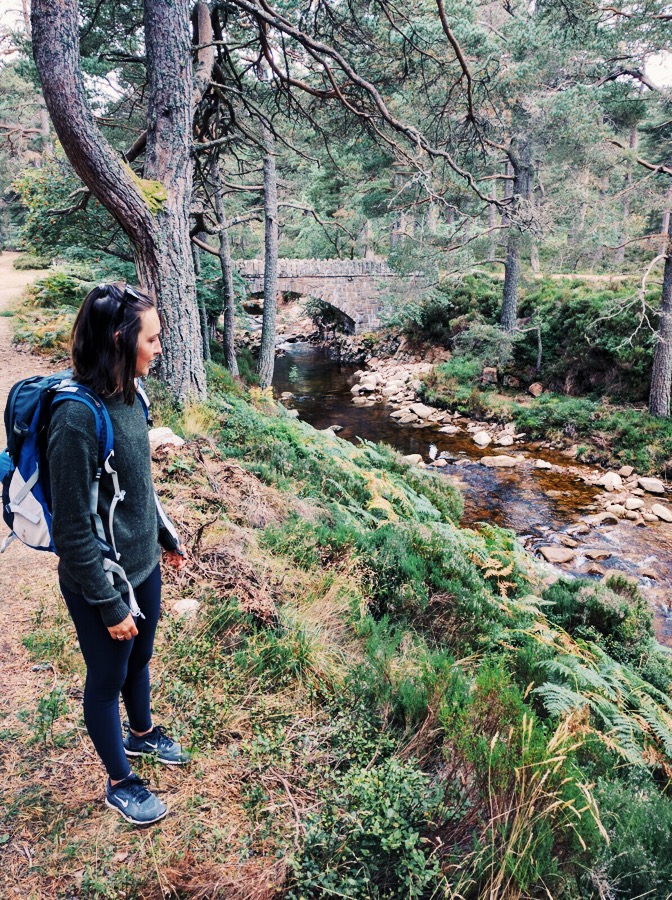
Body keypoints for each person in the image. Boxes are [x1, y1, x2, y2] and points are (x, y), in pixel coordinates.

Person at [47, 282, 190, 826]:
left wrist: (164, 536)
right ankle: (119, 781)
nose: (159, 348)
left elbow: (136, 484)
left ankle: (143, 733)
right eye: (151, 339)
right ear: (118, 339)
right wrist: (108, 604)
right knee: (107, 678)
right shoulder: (76, 419)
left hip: (142, 565)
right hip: (101, 580)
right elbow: (72, 530)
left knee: (140, 657)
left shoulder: (132, 393)